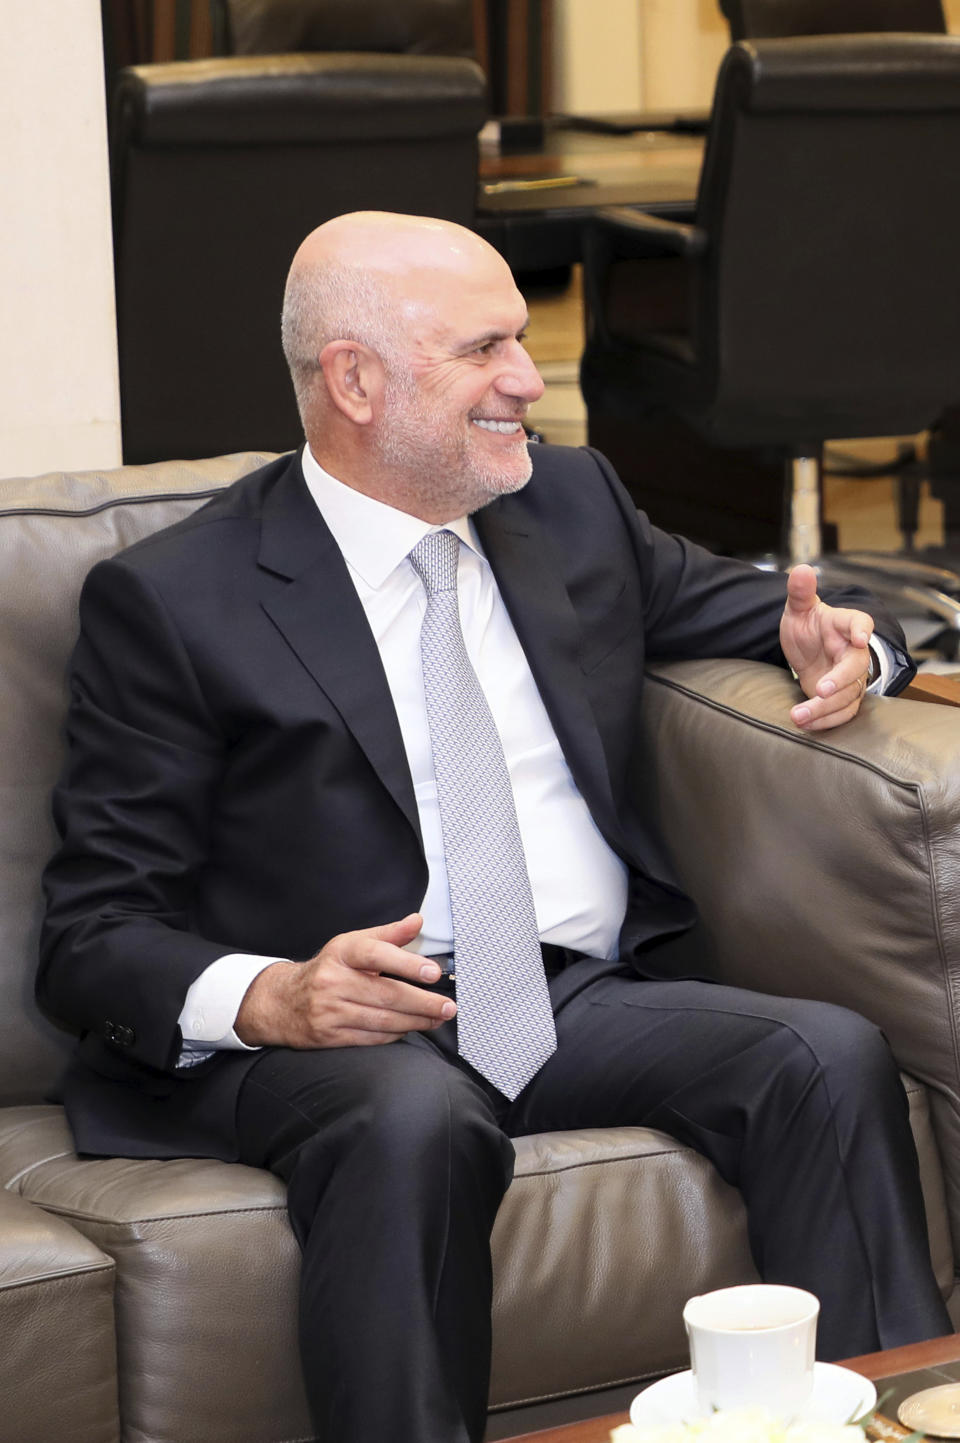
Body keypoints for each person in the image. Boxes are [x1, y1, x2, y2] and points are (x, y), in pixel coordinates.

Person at [39, 211, 950, 1443]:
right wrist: (272, 998)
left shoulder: (569, 504)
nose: (529, 379)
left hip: (567, 996)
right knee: (417, 1119)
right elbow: (93, 932)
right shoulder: (175, 600)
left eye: (522, 340)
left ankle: (880, 1427)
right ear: (356, 381)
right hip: (332, 1035)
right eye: (485, 350)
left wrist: (861, 645)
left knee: (822, 1056)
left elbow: (775, 615)